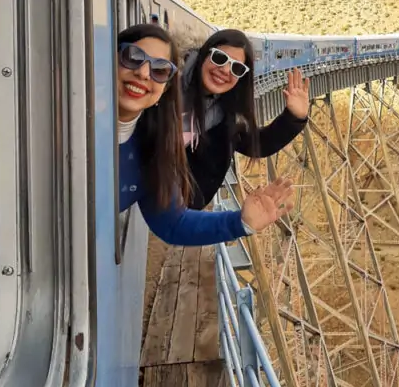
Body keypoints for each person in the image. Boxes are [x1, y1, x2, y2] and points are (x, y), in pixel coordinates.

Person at [116, 24, 293, 244]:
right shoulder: (66, 116)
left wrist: (241, 222)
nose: (143, 73)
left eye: (159, 70)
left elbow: (174, 224)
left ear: (165, 87)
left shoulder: (154, 149)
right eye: (133, 57)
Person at [181, 29, 310, 209]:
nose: (225, 70)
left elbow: (259, 144)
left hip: (181, 212)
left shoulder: (226, 115)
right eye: (219, 58)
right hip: (145, 203)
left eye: (237, 68)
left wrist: (294, 117)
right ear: (204, 53)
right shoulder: (162, 87)